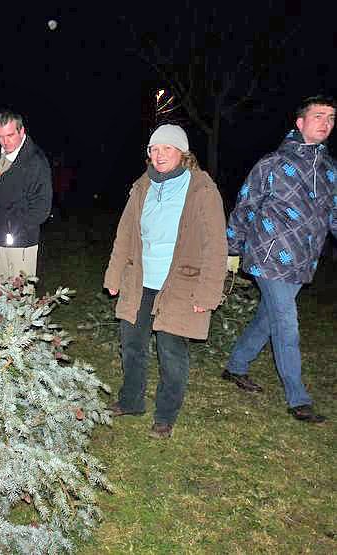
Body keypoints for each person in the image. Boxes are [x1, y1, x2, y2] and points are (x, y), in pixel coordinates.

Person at [103, 124, 227, 439]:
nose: (159, 156)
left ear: (182, 153)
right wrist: (114, 275)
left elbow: (216, 246)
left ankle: (165, 416)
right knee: (132, 344)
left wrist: (208, 293)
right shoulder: (142, 186)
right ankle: (131, 401)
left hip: (180, 283)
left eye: (167, 149)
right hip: (140, 279)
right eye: (154, 150)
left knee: (171, 351)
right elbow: (125, 234)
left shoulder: (201, 189)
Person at [223, 95, 336, 424]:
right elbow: (245, 205)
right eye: (318, 116)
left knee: (268, 318)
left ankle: (236, 366)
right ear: (300, 123)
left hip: (304, 260)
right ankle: (298, 399)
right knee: (286, 323)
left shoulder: (330, 171)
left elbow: (334, 215)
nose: (326, 123)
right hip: (268, 256)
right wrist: (231, 247)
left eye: (331, 118)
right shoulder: (272, 163)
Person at [0, 111, 52, 285]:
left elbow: (42, 207)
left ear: (21, 131)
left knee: (19, 297)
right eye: (0, 136)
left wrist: (14, 228)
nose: (5, 142)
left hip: (20, 244)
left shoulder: (35, 161)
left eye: (10, 135)